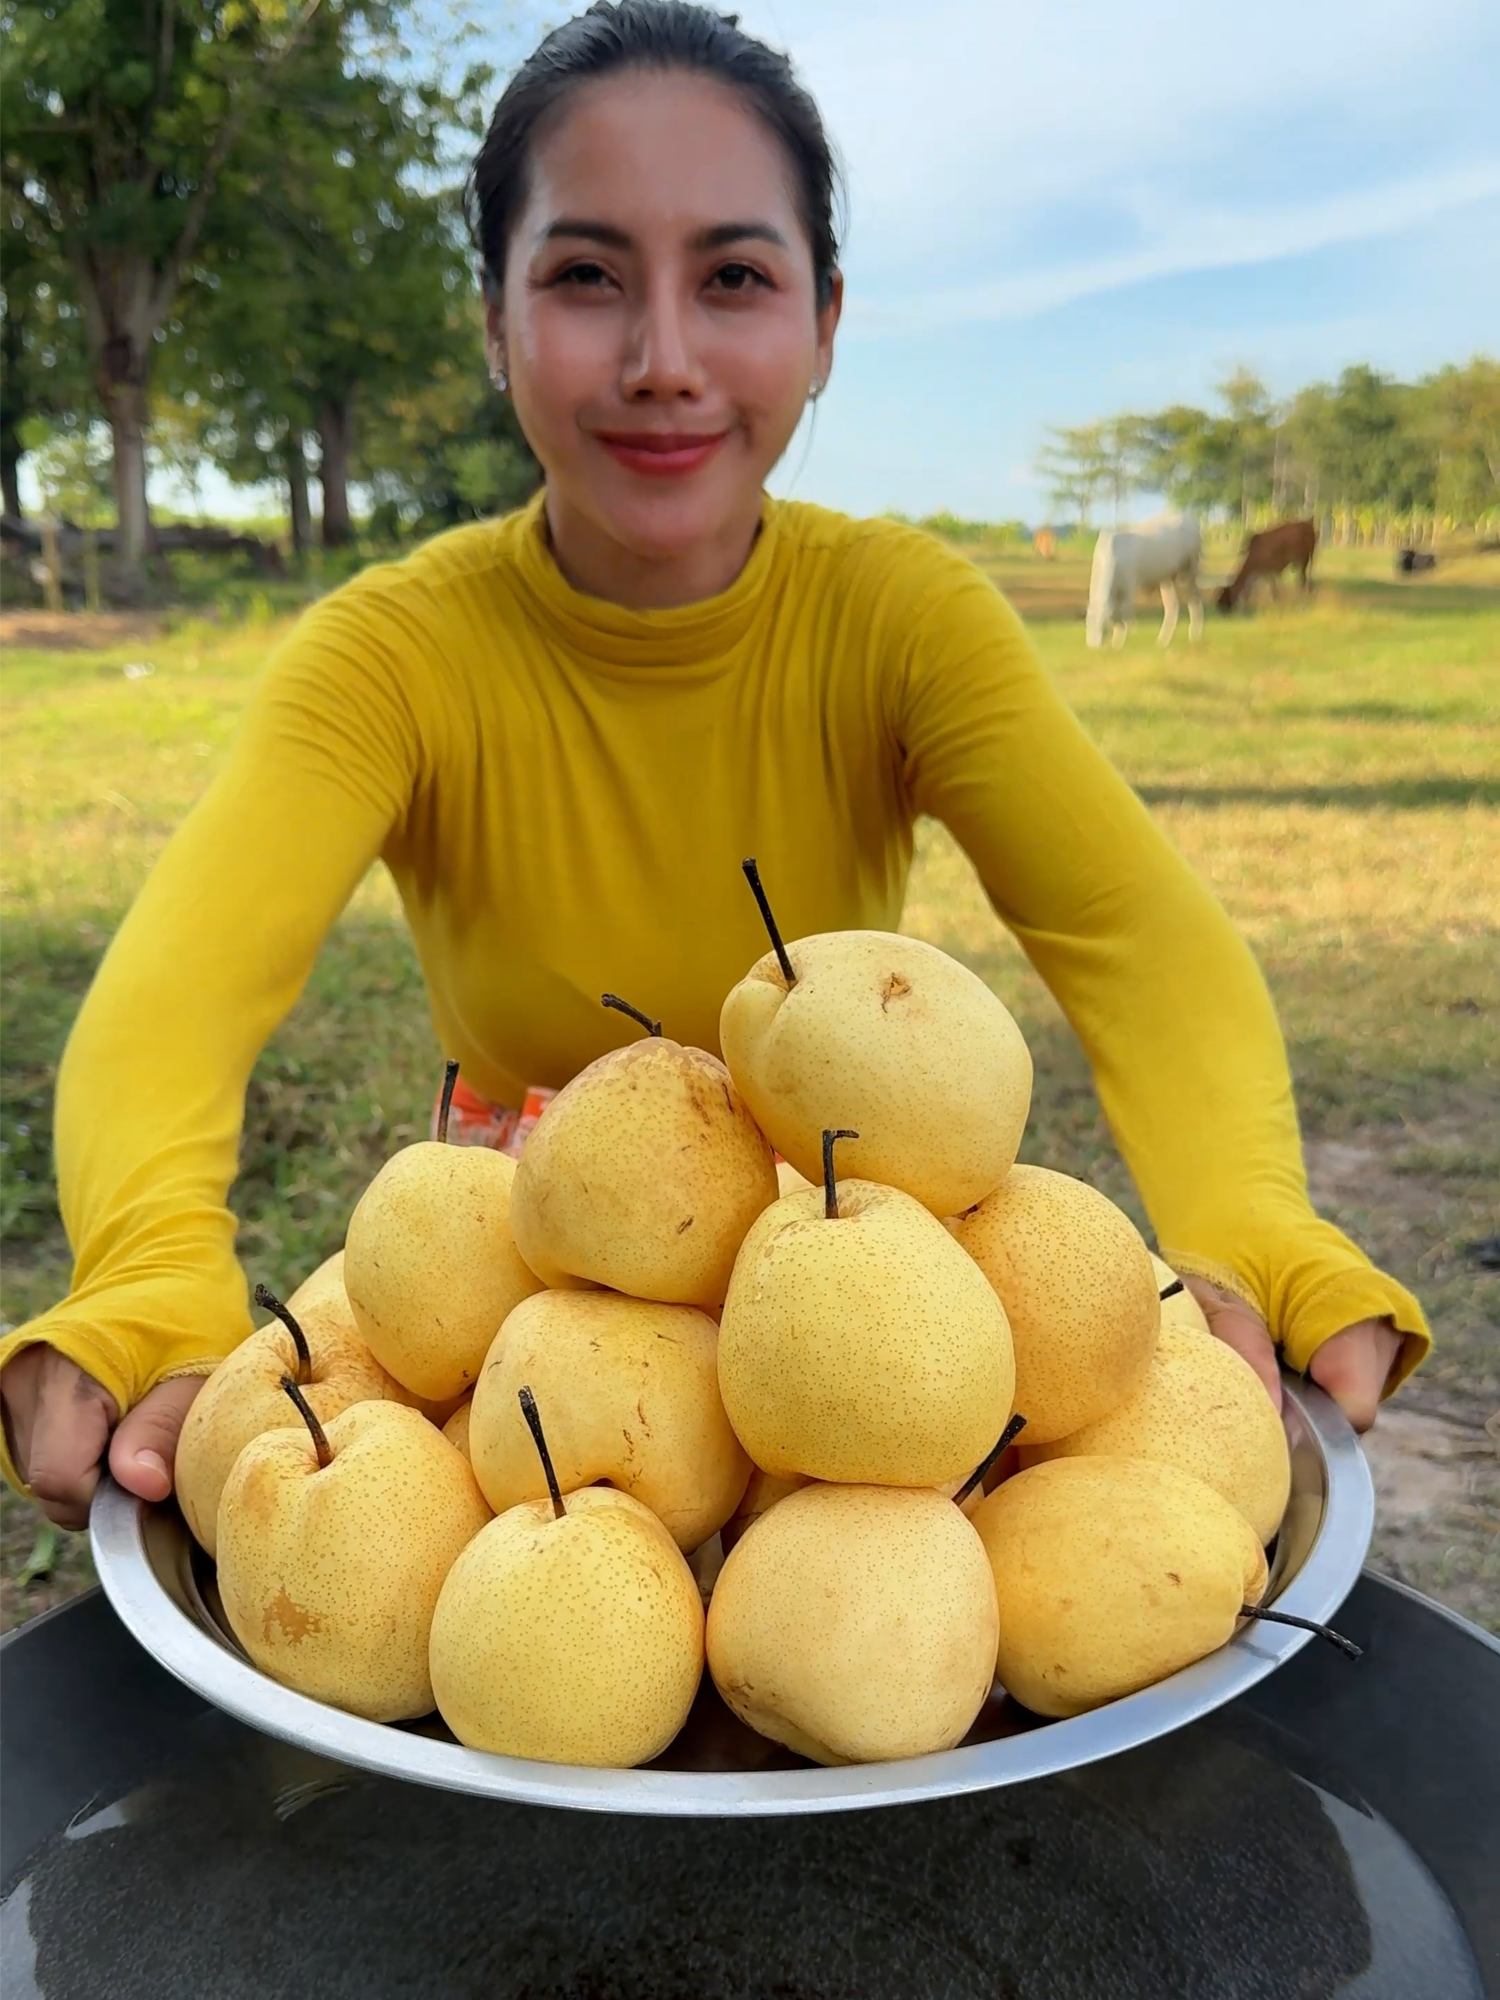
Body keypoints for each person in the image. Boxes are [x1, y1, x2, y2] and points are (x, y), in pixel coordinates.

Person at [0, 0, 1425, 1531]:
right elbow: (178, 992)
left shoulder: (902, 618)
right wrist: (151, 1265)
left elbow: (1137, 937)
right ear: (494, 322)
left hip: (855, 1289)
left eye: (735, 277)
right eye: (584, 277)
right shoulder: (390, 655)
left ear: (823, 321)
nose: (662, 359)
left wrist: (1249, 1221)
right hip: (535, 1294)